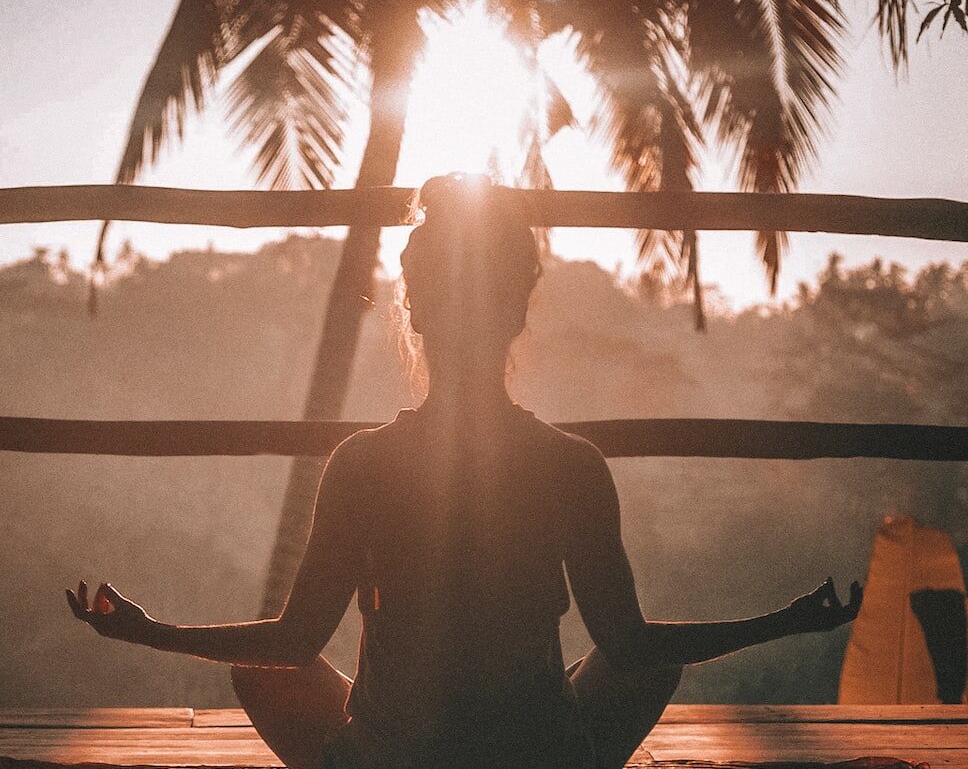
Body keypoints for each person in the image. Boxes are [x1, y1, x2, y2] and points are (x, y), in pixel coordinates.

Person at [66, 174, 863, 769]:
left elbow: (294, 640)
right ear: (519, 308)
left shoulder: (364, 464)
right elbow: (628, 642)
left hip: (394, 761)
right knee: (644, 664)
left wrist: (149, 631)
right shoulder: (569, 465)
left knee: (261, 673)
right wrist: (783, 621)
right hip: (535, 759)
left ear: (413, 306)